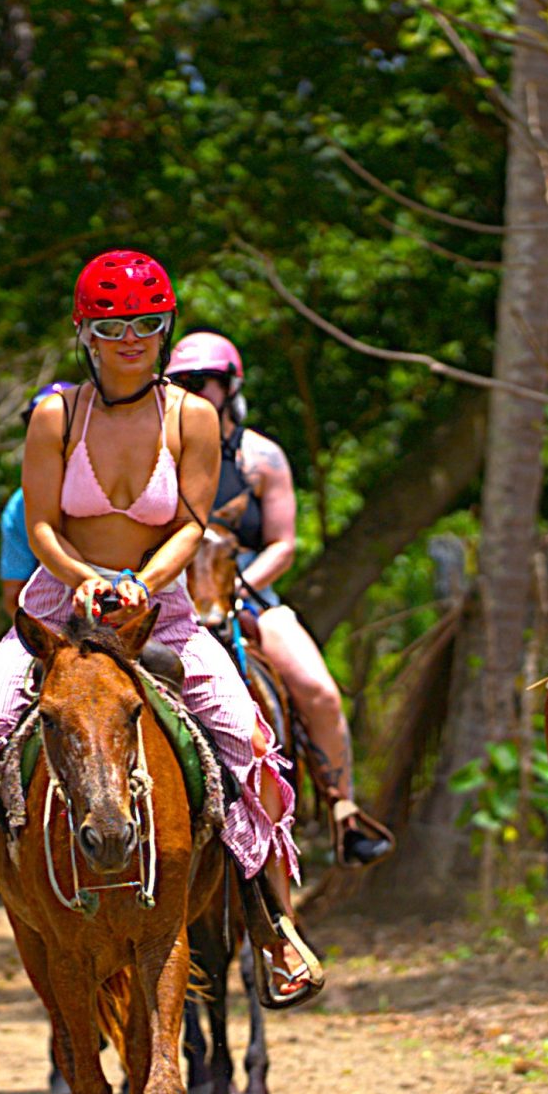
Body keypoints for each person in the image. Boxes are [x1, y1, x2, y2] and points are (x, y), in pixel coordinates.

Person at [0, 249, 322, 1011]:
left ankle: (278, 924)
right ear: (85, 332)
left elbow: (189, 524)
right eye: (114, 326)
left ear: (165, 329)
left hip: (164, 607)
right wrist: (84, 578)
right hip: (60, 605)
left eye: (149, 325)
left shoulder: (194, 416)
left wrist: (142, 586)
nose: (133, 340)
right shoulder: (58, 413)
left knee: (251, 748)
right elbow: (44, 524)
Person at [164, 332, 389, 865]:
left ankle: (342, 810)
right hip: (169, 588)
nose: (193, 392)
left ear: (229, 386)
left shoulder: (261, 457)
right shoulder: (158, 452)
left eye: (204, 383)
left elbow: (284, 543)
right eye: (181, 383)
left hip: (246, 588)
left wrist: (237, 585)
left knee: (319, 689)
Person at [0, 384, 73, 619]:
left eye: (64, 421)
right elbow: (14, 596)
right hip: (50, 617)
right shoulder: (19, 506)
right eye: (39, 422)